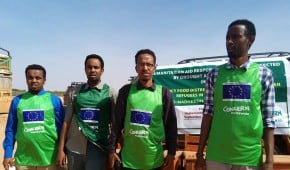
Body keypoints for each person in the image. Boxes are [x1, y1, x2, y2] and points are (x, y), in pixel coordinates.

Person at [195, 19, 275, 170]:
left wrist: (269, 160)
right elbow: (208, 114)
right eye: (227, 37)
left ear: (250, 40)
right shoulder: (214, 74)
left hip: (248, 157)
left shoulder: (263, 74)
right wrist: (199, 154)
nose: (229, 42)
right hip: (216, 156)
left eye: (235, 36)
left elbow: (268, 119)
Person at [107, 49, 178, 169]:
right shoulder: (126, 91)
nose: (145, 68)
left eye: (149, 65)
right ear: (136, 68)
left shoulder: (164, 93)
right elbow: (117, 123)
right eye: (141, 64)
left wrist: (172, 152)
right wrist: (111, 149)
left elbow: (171, 126)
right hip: (129, 162)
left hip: (154, 161)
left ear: (154, 68)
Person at [57, 54, 116, 170]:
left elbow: (115, 124)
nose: (92, 70)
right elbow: (66, 121)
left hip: (98, 147)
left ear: (102, 70)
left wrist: (112, 150)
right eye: (89, 67)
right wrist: (61, 149)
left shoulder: (111, 93)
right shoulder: (75, 92)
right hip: (74, 147)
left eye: (96, 67)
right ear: (85, 69)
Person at [2, 64, 65, 170]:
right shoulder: (17, 101)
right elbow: (11, 129)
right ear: (26, 79)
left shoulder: (54, 100)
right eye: (30, 78)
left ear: (44, 80)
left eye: (38, 78)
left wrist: (63, 151)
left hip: (49, 160)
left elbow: (61, 129)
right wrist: (8, 154)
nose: (34, 80)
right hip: (23, 160)